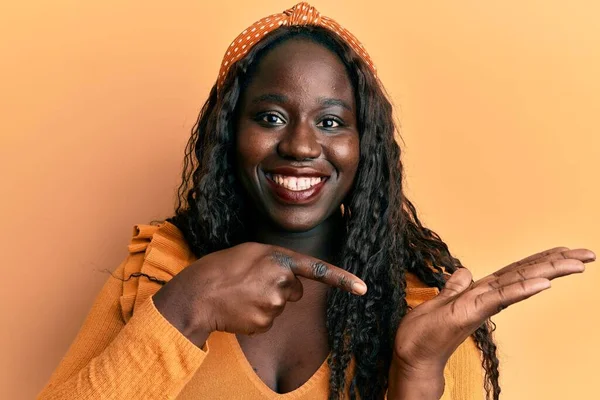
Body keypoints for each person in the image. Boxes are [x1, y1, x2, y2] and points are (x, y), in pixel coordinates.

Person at [37, 3, 595, 399]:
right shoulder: (161, 274)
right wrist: (189, 306)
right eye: (271, 117)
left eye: (331, 121)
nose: (302, 145)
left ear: (365, 146)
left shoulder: (427, 305)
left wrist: (417, 369)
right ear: (229, 133)